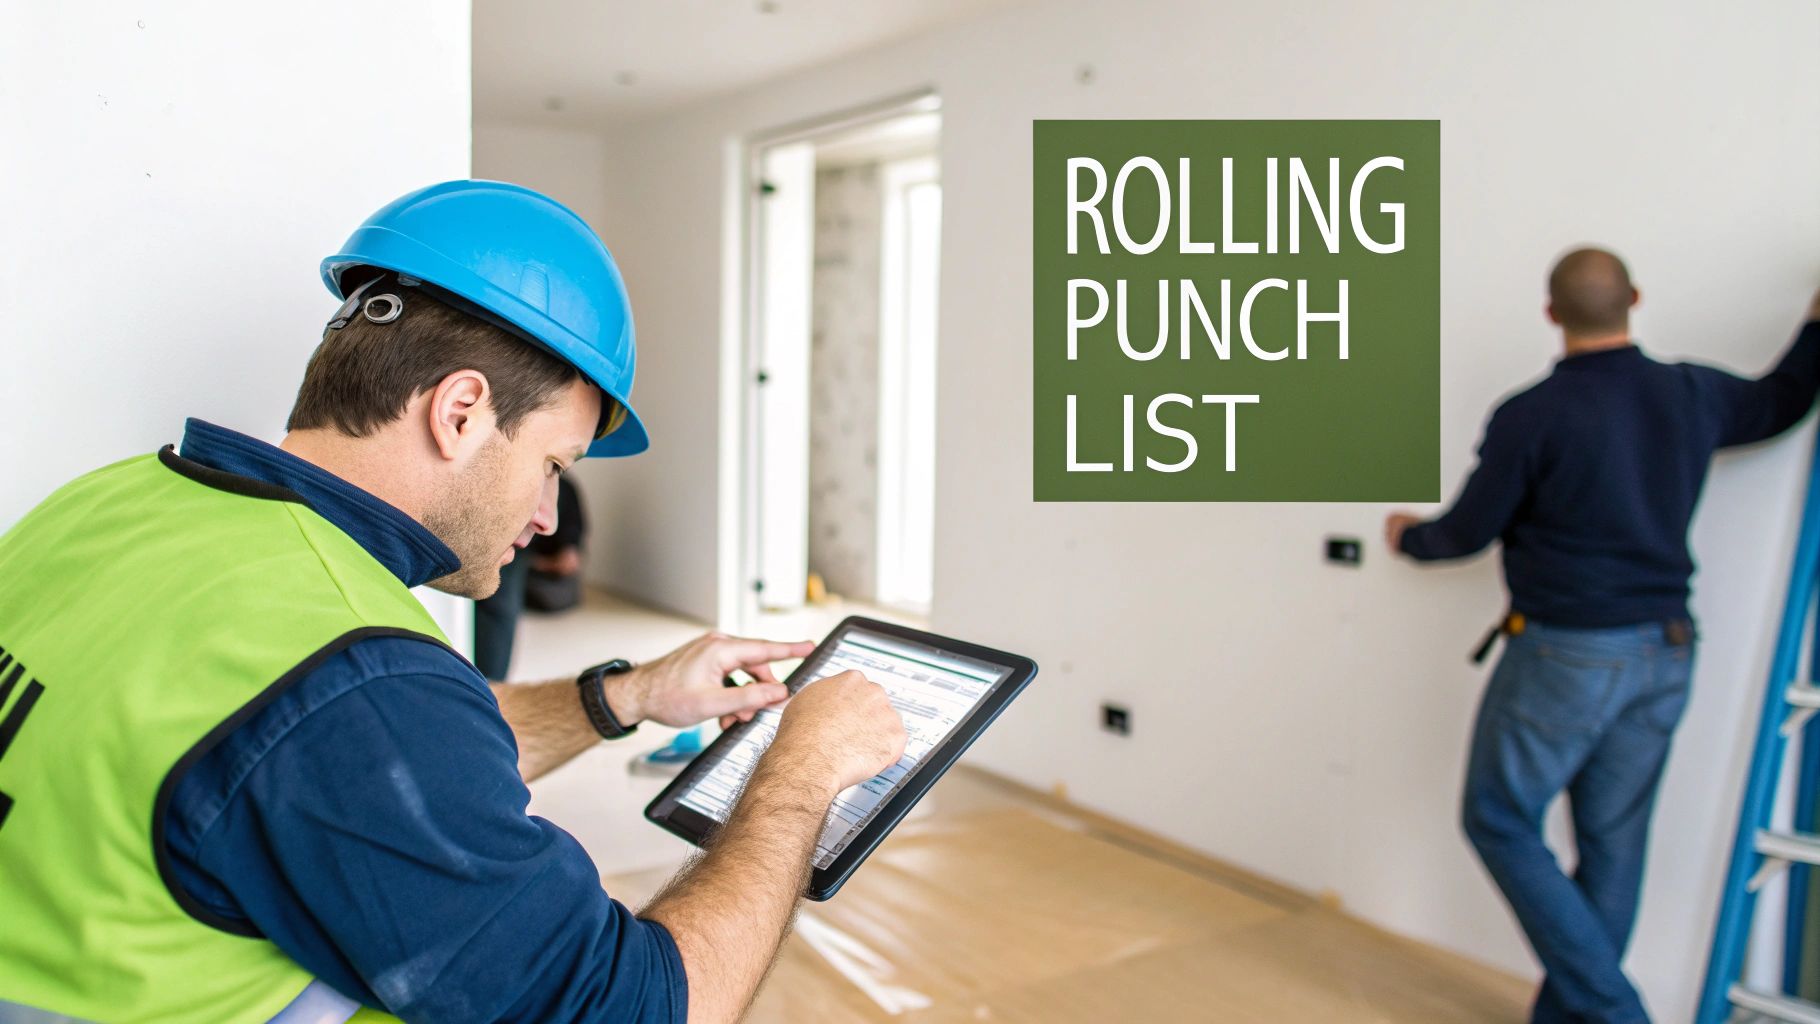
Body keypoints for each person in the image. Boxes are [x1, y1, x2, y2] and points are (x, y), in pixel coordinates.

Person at [0, 181, 908, 1024]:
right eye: (554, 465)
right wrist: (800, 778)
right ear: (461, 410)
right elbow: (636, 1007)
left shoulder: (112, 501)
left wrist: (626, 697)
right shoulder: (356, 674)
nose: (550, 516)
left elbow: (324, 766)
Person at [1386, 248, 1820, 1024]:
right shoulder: (1688, 393)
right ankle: (1573, 1015)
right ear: (1636, 300)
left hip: (1568, 653)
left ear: (1552, 314)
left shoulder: (1533, 415)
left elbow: (1466, 533)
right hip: (1668, 649)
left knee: (1496, 817)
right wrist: (1817, 325)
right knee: (1613, 843)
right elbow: (1783, 400)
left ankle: (1616, 1013)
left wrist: (1407, 538)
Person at [474, 474, 588, 681]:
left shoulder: (567, 491)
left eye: (557, 466)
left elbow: (570, 559)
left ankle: (491, 684)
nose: (547, 522)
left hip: (536, 572)